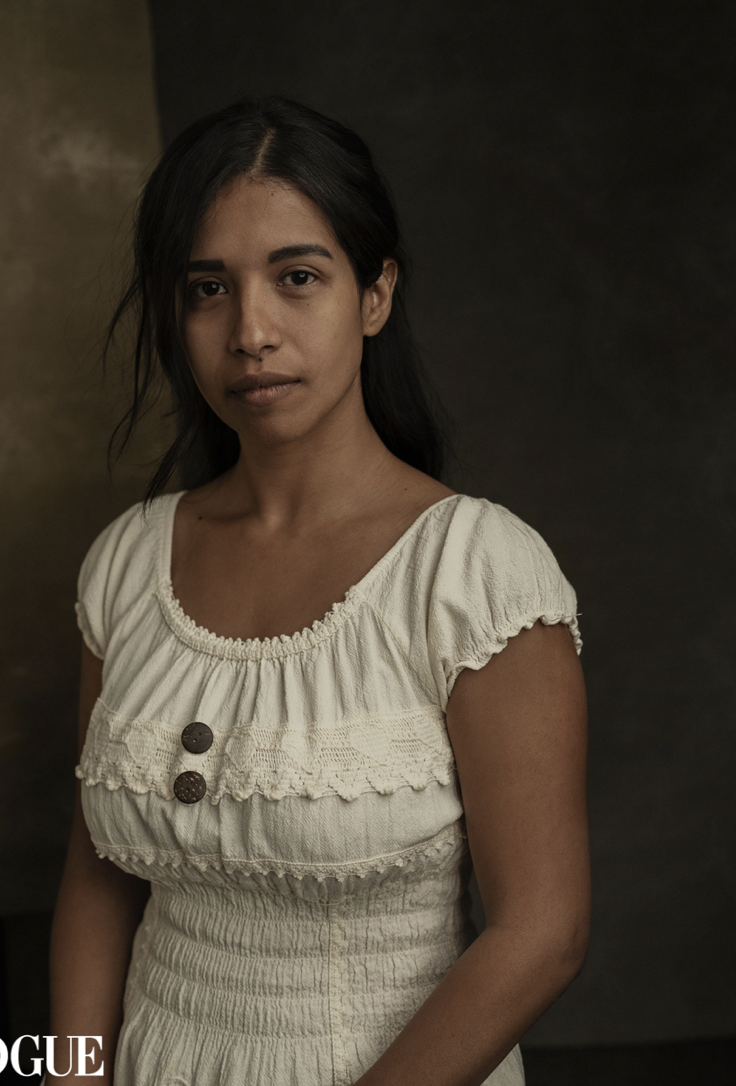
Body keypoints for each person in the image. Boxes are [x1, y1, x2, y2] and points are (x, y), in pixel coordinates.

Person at [48, 96, 589, 1086]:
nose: (250, 330)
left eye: (296, 277)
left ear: (374, 295)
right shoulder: (125, 563)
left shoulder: (475, 573)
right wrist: (73, 1078)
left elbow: (538, 934)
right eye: (207, 288)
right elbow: (97, 876)